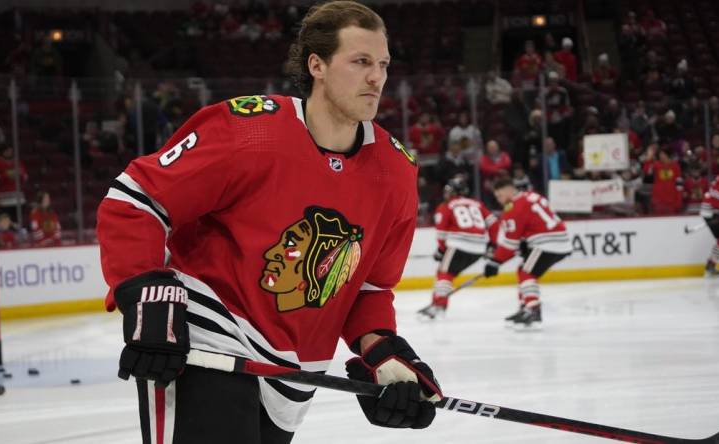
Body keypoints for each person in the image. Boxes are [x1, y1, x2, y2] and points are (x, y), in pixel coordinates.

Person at [96, 2, 442, 443]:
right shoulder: (250, 130)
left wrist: (384, 355)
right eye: (360, 62)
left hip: (295, 369)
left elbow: (367, 287)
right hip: (211, 332)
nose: (377, 78)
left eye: (383, 64)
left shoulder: (395, 171)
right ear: (316, 64)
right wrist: (147, 291)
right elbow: (136, 198)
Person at [483, 177, 572, 329]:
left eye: (499, 196)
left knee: (526, 272)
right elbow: (530, 227)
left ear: (508, 189)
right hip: (558, 240)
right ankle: (525, 307)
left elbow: (510, 243)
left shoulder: (513, 207)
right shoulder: (532, 196)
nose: (499, 200)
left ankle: (533, 310)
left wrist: (495, 262)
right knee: (523, 269)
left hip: (547, 243)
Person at [419, 176, 498, 318]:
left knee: (444, 273)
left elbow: (441, 233)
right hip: (479, 248)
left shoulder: (446, 206)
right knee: (449, 273)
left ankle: (438, 306)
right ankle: (439, 304)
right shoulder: (477, 204)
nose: (446, 194)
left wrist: (442, 250)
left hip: (459, 244)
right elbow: (493, 223)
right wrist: (493, 244)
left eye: (449, 191)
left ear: (454, 192)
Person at [700, 175, 719, 276]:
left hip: (712, 212)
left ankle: (710, 266)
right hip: (711, 213)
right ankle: (710, 266)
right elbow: (715, 196)